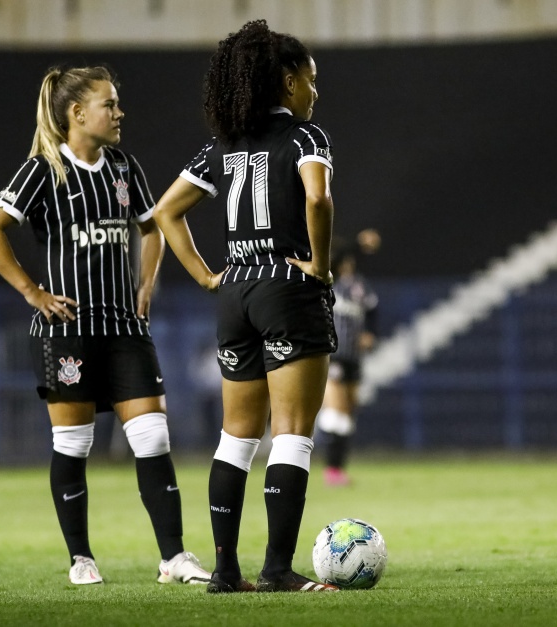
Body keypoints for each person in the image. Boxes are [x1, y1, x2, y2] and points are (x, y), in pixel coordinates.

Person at [0, 65, 211, 587]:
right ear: (77, 113)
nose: (119, 112)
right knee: (74, 444)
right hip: (69, 334)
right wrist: (33, 293)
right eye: (110, 104)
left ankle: (173, 557)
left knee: (151, 436)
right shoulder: (43, 171)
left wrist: (146, 284)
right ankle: (81, 558)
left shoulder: (126, 168)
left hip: (124, 328)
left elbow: (153, 228)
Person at [153, 20, 339, 593]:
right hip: (287, 287)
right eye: (310, 80)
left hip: (234, 294)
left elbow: (164, 212)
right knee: (290, 434)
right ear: (286, 82)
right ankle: (278, 569)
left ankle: (226, 571)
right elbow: (318, 198)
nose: (315, 92)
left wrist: (207, 275)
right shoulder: (307, 139)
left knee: (236, 436)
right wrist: (321, 265)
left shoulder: (224, 145)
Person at [316, 229, 380, 486]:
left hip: (354, 357)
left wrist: (371, 334)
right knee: (338, 410)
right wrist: (358, 242)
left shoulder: (360, 286)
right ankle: (332, 469)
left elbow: (374, 310)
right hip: (334, 355)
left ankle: (337, 467)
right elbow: (338, 250)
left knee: (348, 412)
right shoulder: (326, 281)